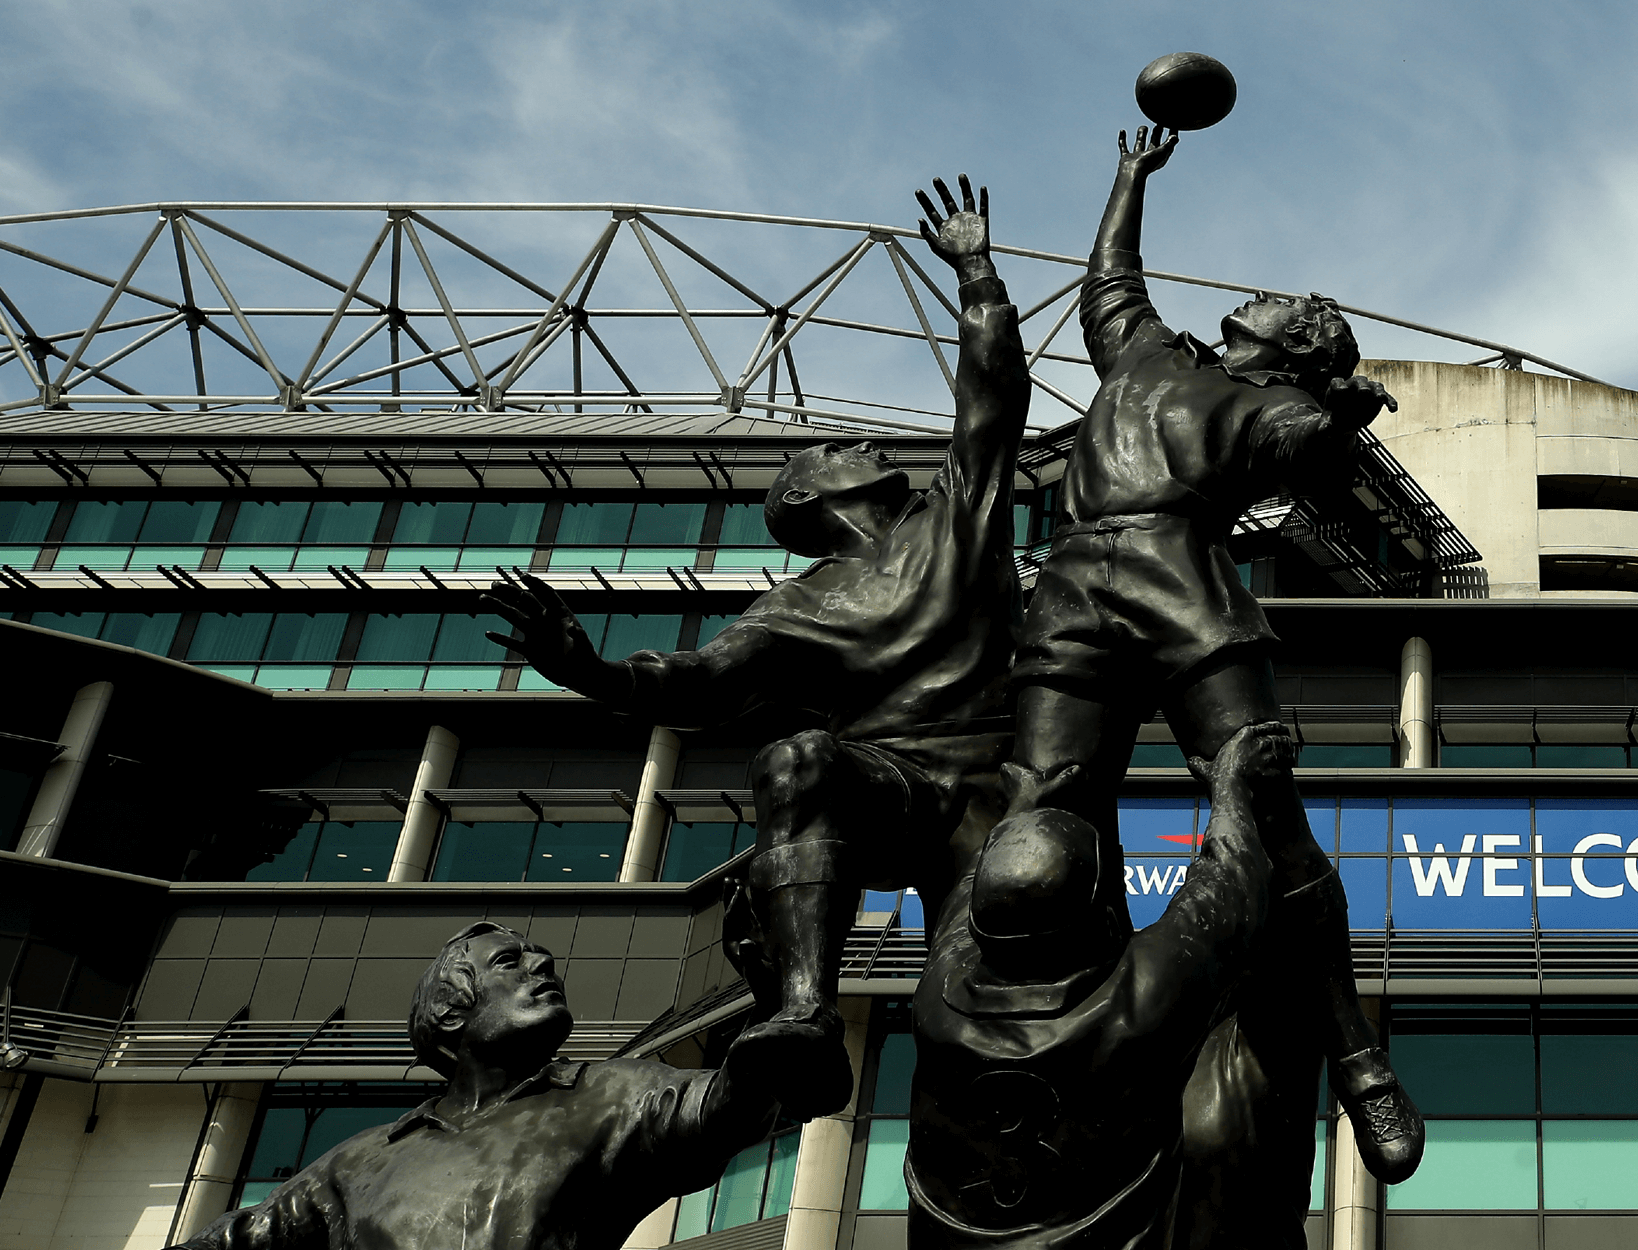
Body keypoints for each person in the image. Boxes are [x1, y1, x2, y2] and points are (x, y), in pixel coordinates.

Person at [484, 176, 1026, 1116]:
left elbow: (992, 392)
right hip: (898, 787)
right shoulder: (796, 606)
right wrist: (588, 668)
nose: (861, 443)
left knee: (980, 1015)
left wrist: (976, 271)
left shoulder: (957, 518)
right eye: (841, 449)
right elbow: (696, 683)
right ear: (811, 500)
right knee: (800, 759)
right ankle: (808, 1016)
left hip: (1001, 781)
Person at [998, 123, 1424, 1192]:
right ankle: (1043, 1049)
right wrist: (1128, 178)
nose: (1265, 293)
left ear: (1301, 344)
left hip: (1182, 582)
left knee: (1266, 806)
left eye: (1288, 300)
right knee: (1038, 812)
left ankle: (1357, 1056)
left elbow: (1305, 450)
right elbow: (1110, 281)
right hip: (1069, 589)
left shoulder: (1280, 404)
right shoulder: (1147, 352)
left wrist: (1341, 411)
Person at [907, 720, 1305, 1249]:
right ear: (1104, 920)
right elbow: (1233, 883)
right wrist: (1229, 784)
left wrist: (1021, 810)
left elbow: (965, 901)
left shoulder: (937, 999)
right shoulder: (1136, 999)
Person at [169, 924, 789, 1250]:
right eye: (509, 962)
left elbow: (733, 1105)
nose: (542, 966)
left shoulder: (612, 1091)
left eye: (542, 959)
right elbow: (234, 1242)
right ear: (450, 1010)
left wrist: (778, 1005)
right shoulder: (361, 1161)